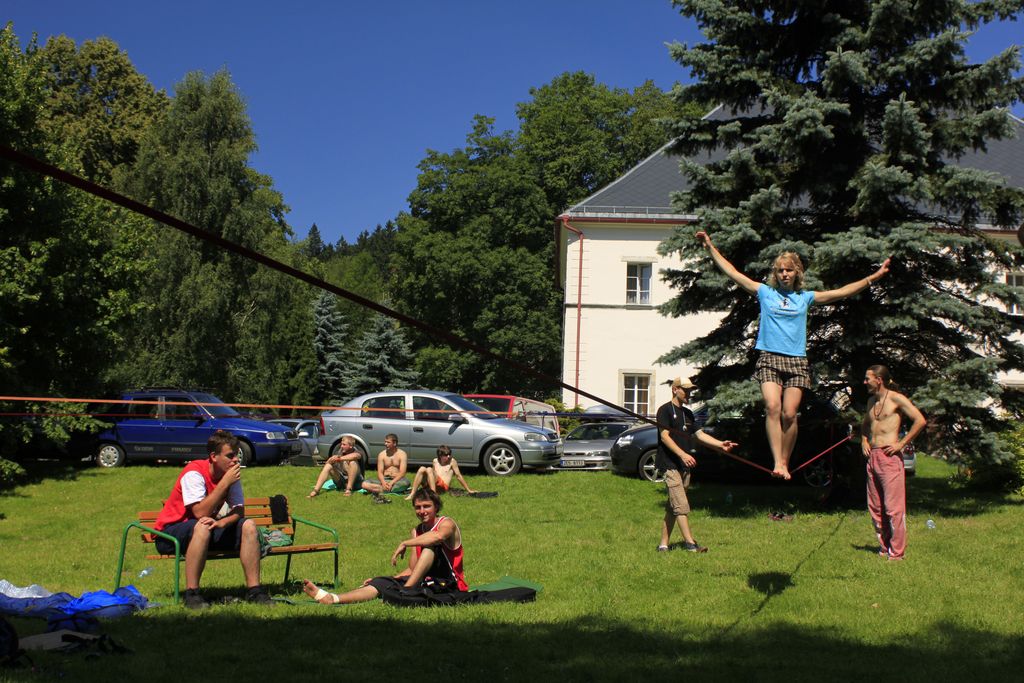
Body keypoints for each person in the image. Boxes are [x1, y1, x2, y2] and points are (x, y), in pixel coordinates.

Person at [696, 230, 891, 479]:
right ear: (775, 274)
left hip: (796, 360)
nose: (784, 274)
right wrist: (710, 247)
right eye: (780, 271)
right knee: (773, 406)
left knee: (790, 413)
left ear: (797, 272)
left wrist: (873, 277)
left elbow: (841, 292)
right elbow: (734, 273)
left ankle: (785, 462)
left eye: (788, 270)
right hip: (770, 358)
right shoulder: (766, 293)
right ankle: (777, 461)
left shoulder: (805, 298)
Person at [152, 430, 271, 609]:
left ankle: (255, 591)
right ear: (214, 456)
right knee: (201, 525)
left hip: (206, 530)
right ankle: (192, 594)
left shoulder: (230, 474)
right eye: (230, 456)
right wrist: (224, 483)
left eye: (237, 455)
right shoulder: (193, 472)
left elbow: (239, 511)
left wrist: (222, 522)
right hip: (171, 534)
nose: (236, 460)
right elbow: (200, 512)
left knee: (249, 525)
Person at [303, 488, 465, 604]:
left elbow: (437, 537)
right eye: (418, 507)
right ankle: (333, 598)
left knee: (431, 546)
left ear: (436, 507)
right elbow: (413, 569)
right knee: (380, 582)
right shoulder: (417, 531)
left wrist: (405, 543)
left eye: (426, 506)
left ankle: (404, 593)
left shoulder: (447, 523)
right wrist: (391, 579)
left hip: (449, 584)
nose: (422, 511)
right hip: (424, 580)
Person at [656, 377, 738, 553]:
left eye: (691, 391)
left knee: (674, 506)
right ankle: (690, 544)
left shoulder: (688, 414)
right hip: (670, 464)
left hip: (684, 465)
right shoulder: (664, 411)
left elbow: (700, 436)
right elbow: (665, 437)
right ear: (675, 389)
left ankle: (663, 544)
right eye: (685, 390)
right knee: (681, 505)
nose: (689, 394)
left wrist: (720, 444)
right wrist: (682, 454)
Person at [861, 364, 926, 561]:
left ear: (878, 380)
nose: (864, 382)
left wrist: (902, 444)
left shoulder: (896, 398)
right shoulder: (871, 401)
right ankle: (884, 548)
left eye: (867, 379)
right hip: (873, 457)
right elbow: (865, 425)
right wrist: (864, 440)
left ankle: (897, 554)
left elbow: (920, 420)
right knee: (875, 507)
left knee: (893, 508)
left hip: (890, 458)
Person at [404, 444, 476, 500]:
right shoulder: (435, 461)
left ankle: (433, 495)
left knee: (429, 469)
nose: (448, 456)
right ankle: (413, 494)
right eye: (446, 455)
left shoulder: (452, 462)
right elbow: (431, 475)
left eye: (449, 454)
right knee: (422, 468)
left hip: (443, 486)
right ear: (440, 455)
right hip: (432, 484)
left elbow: (458, 476)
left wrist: (468, 490)